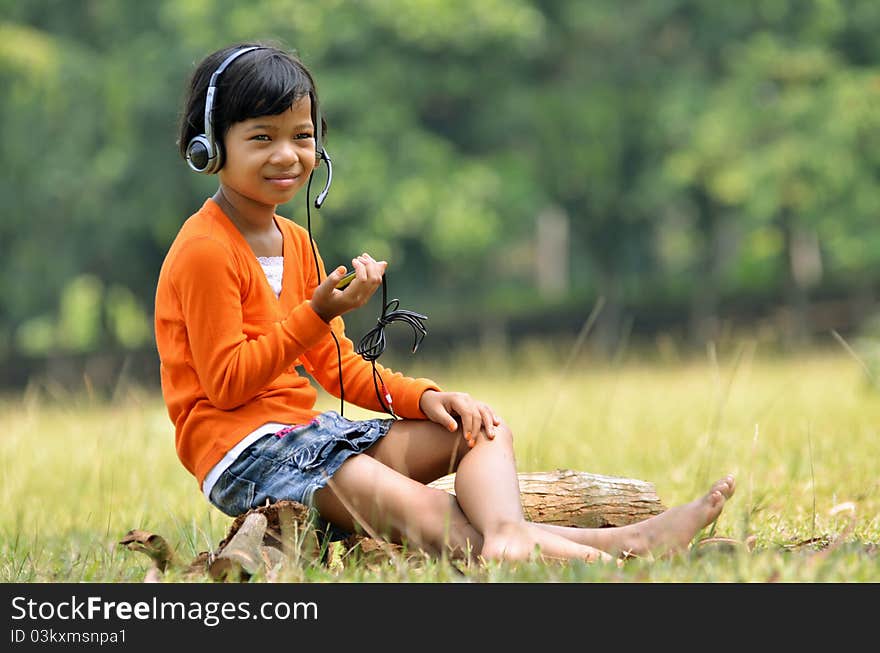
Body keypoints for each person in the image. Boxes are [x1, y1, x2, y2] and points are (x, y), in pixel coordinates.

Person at [155, 41, 736, 566]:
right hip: (247, 456)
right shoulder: (205, 250)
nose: (287, 155)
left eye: (301, 136)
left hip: (313, 434)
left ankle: (513, 537)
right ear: (209, 148)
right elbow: (228, 383)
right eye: (262, 137)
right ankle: (621, 549)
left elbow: (336, 366)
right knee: (427, 516)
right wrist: (317, 313)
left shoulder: (295, 240)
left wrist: (427, 397)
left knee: (481, 427)